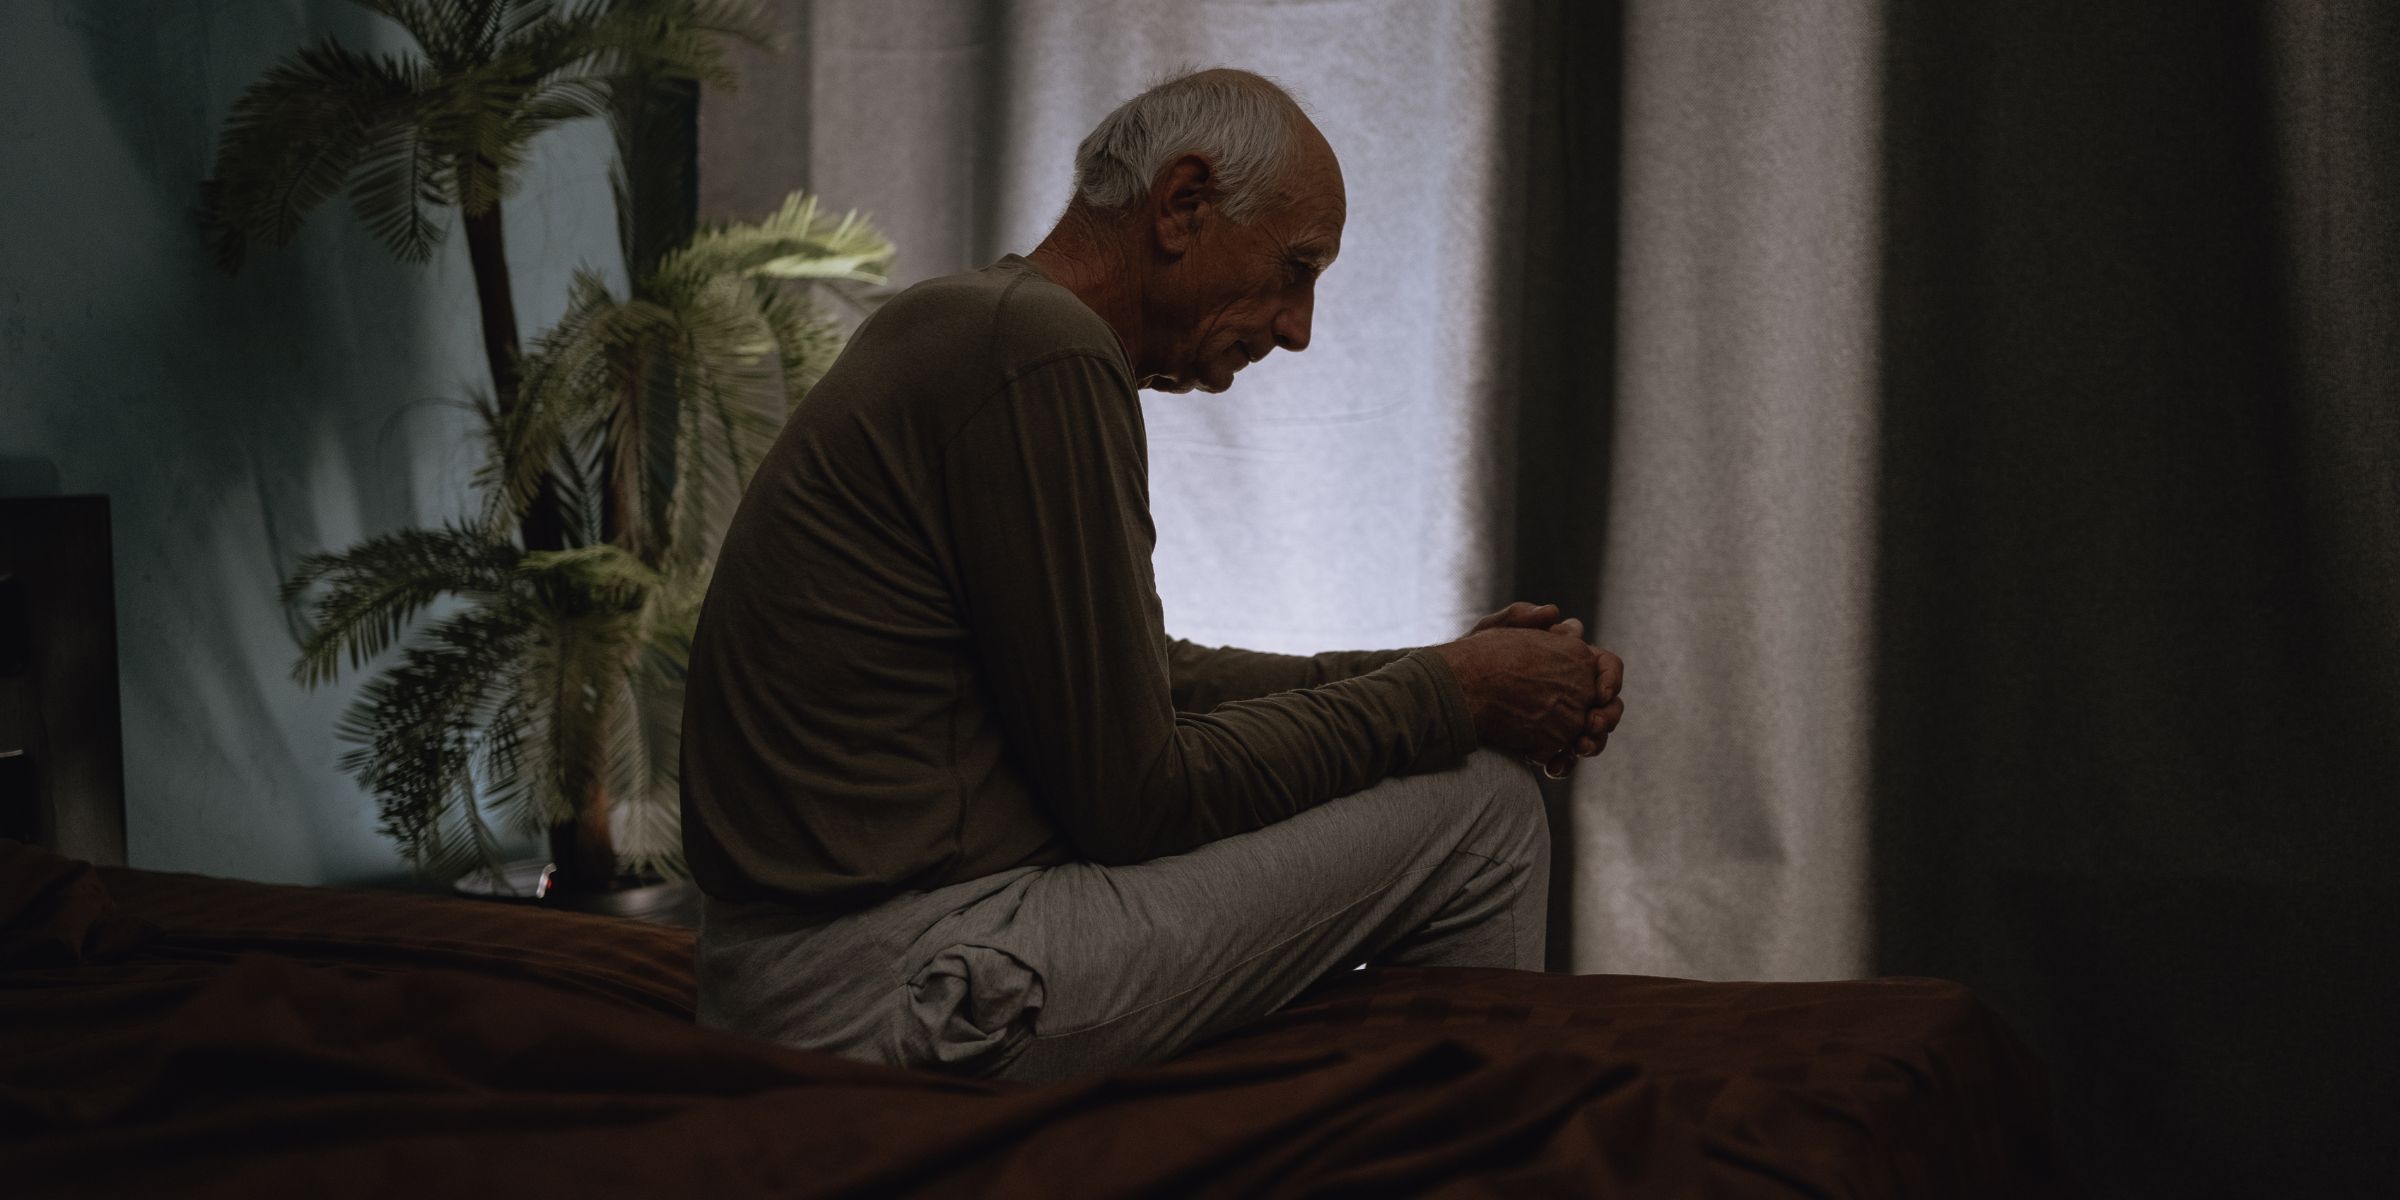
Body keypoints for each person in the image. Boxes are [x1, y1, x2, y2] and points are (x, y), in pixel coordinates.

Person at [680, 67, 1626, 1084]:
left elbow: (1151, 680)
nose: (1300, 327)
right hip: (891, 985)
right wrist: (1451, 697)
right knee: (1486, 812)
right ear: (1183, 204)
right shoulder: (1038, 347)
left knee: (1455, 762)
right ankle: (1470, 1148)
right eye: (1297, 268)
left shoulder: (981, 325)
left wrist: (1444, 671)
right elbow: (1138, 799)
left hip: (811, 973)